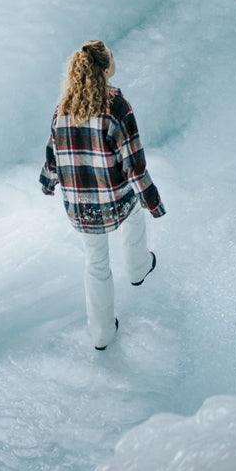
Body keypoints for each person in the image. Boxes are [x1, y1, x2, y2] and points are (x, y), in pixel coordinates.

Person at [40, 40, 164, 350]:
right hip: (115, 201)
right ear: (106, 68)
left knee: (95, 264)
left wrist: (48, 182)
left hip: (81, 208)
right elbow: (134, 165)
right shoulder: (117, 108)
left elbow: (52, 154)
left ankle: (101, 334)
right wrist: (153, 202)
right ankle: (137, 269)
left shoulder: (63, 109)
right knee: (135, 212)